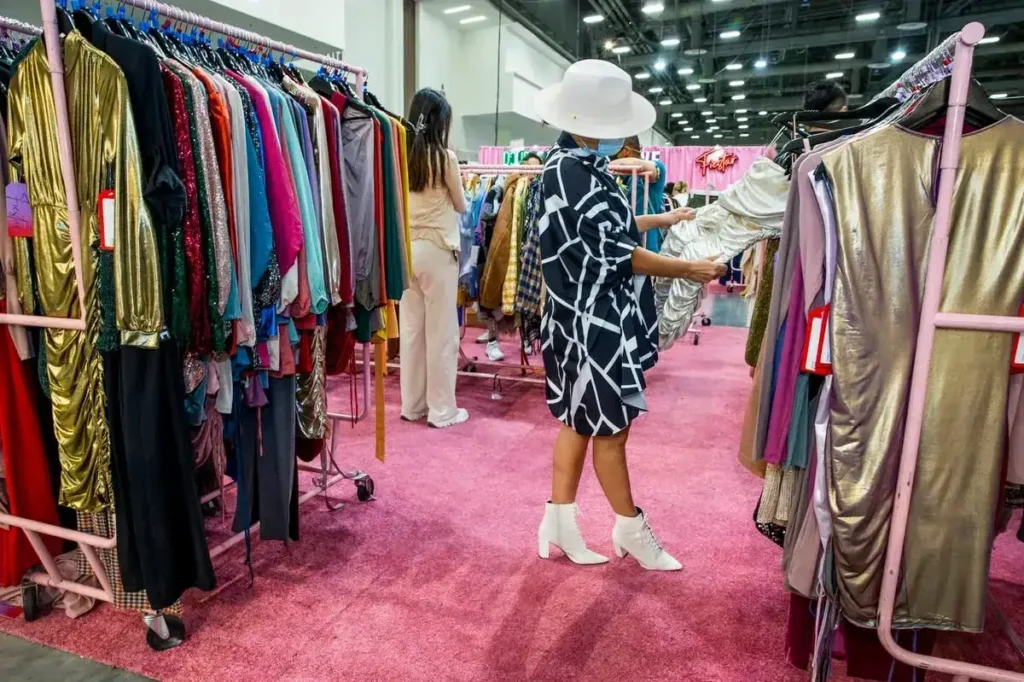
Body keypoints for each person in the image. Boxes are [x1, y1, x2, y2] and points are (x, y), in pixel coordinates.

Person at [533, 60, 727, 570]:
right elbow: (617, 251)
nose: (615, 138)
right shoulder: (576, 175)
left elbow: (609, 230)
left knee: (579, 422)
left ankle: (560, 520)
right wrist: (687, 267)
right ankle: (631, 529)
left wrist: (663, 218)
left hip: (578, 316)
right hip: (592, 321)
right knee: (610, 430)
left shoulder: (569, 168)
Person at [400, 88, 470, 429]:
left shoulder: (400, 153)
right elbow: (461, 205)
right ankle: (441, 409)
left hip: (406, 250)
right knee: (442, 333)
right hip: (438, 249)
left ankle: (411, 405)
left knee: (412, 330)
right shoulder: (445, 158)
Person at [474, 150, 546, 356]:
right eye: (529, 168)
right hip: (496, 253)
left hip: (523, 254)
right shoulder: (503, 190)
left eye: (537, 170)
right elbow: (487, 223)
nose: (533, 174)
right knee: (494, 296)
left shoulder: (535, 193)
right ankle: (492, 341)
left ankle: (523, 338)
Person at [609, 138, 669, 252]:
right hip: (624, 242)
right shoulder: (621, 178)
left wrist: (603, 165)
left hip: (647, 244)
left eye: (614, 149)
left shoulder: (657, 167)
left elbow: (637, 165)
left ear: (625, 150)